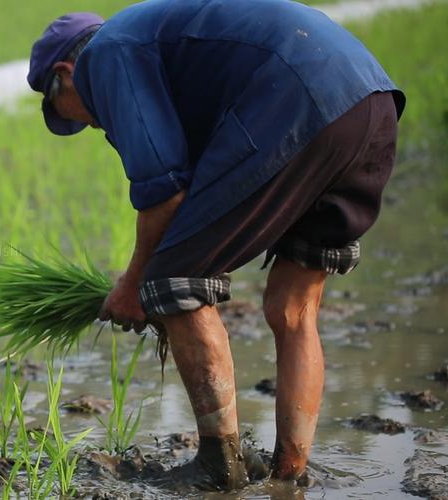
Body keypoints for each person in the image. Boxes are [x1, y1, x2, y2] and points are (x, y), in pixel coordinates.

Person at [28, 0, 404, 491]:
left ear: (65, 73)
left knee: (173, 282)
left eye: (69, 113)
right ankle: (289, 474)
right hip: (370, 105)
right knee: (294, 308)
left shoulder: (108, 54)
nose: (93, 126)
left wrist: (136, 283)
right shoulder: (158, 41)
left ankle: (218, 465)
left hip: (296, 100)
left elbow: (165, 190)